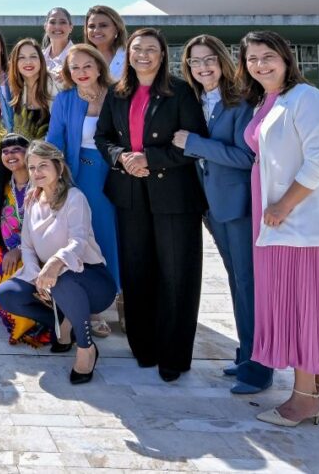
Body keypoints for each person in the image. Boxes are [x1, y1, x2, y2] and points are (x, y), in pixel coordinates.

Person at [239, 31, 319, 426]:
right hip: (275, 221)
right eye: (252, 58)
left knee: (303, 305)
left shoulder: (308, 98)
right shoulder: (269, 100)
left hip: (296, 220)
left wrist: (283, 206)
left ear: (286, 58)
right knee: (302, 303)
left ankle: (304, 397)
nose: (260, 64)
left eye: (268, 56)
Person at [95, 27, 208, 382]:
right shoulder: (116, 93)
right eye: (137, 49)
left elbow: (193, 142)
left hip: (173, 195)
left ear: (162, 56)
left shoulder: (180, 92)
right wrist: (122, 157)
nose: (143, 55)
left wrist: (150, 159)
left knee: (177, 276)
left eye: (151, 50)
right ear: (128, 53)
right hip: (129, 193)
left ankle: (174, 356)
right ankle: (144, 347)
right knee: (137, 271)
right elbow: (103, 137)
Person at [173, 35, 270, 395]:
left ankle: (259, 368)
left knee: (248, 284)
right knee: (237, 283)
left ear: (223, 61)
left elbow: (246, 158)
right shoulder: (198, 101)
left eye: (208, 59)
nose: (202, 67)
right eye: (195, 62)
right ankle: (247, 353)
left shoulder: (241, 100)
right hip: (213, 209)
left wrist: (194, 144)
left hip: (238, 207)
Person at [0, 141, 116, 386]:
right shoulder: (32, 201)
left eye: (43, 166)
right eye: (31, 168)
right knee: (7, 294)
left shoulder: (74, 198)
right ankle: (63, 323)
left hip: (91, 280)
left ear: (59, 168)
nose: (36, 172)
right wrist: (36, 275)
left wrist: (54, 264)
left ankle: (86, 347)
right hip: (51, 278)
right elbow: (27, 245)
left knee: (63, 279)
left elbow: (78, 241)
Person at [45, 43, 121, 338]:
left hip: (117, 175)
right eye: (74, 68)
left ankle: (117, 296)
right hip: (81, 175)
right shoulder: (65, 99)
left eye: (87, 66)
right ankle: (93, 309)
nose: (80, 72)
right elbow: (55, 141)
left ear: (100, 66)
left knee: (114, 239)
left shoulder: (118, 96)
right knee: (89, 239)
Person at [0, 133, 49, 345]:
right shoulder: (1, 187)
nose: (10, 155)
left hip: (40, 252)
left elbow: (49, 228)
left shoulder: (43, 186)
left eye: (16, 149)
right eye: (5, 151)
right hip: (8, 251)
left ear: (29, 153)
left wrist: (19, 249)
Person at [7, 38, 53, 133]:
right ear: (15, 63)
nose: (28, 62)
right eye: (21, 57)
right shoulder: (13, 89)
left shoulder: (56, 83)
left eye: (33, 56)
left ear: (41, 60)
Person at [84, 5, 128, 82]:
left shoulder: (130, 57)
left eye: (103, 25)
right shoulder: (80, 58)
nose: (96, 30)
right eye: (91, 26)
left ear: (117, 28)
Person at [42, 7, 74, 87]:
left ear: (71, 27)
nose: (57, 26)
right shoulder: (38, 57)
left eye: (62, 22)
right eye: (52, 22)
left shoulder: (82, 56)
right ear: (45, 27)